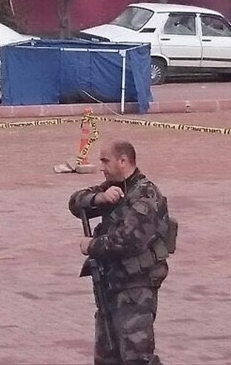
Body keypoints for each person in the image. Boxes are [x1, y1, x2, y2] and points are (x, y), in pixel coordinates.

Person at [69, 140, 171, 365]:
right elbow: (75, 202)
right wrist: (99, 198)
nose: (102, 167)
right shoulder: (115, 188)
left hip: (136, 288)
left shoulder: (146, 195)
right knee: (107, 357)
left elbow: (128, 242)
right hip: (110, 285)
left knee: (136, 357)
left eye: (106, 161)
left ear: (123, 161)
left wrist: (91, 245)